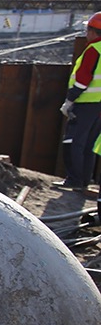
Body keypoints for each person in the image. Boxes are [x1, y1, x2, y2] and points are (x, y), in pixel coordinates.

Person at [60, 12, 101, 191]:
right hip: (98, 106)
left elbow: (83, 79)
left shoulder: (93, 49)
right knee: (88, 145)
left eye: (88, 29)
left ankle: (74, 181)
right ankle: (84, 180)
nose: (86, 33)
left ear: (94, 31)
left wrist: (70, 100)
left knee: (73, 142)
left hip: (86, 103)